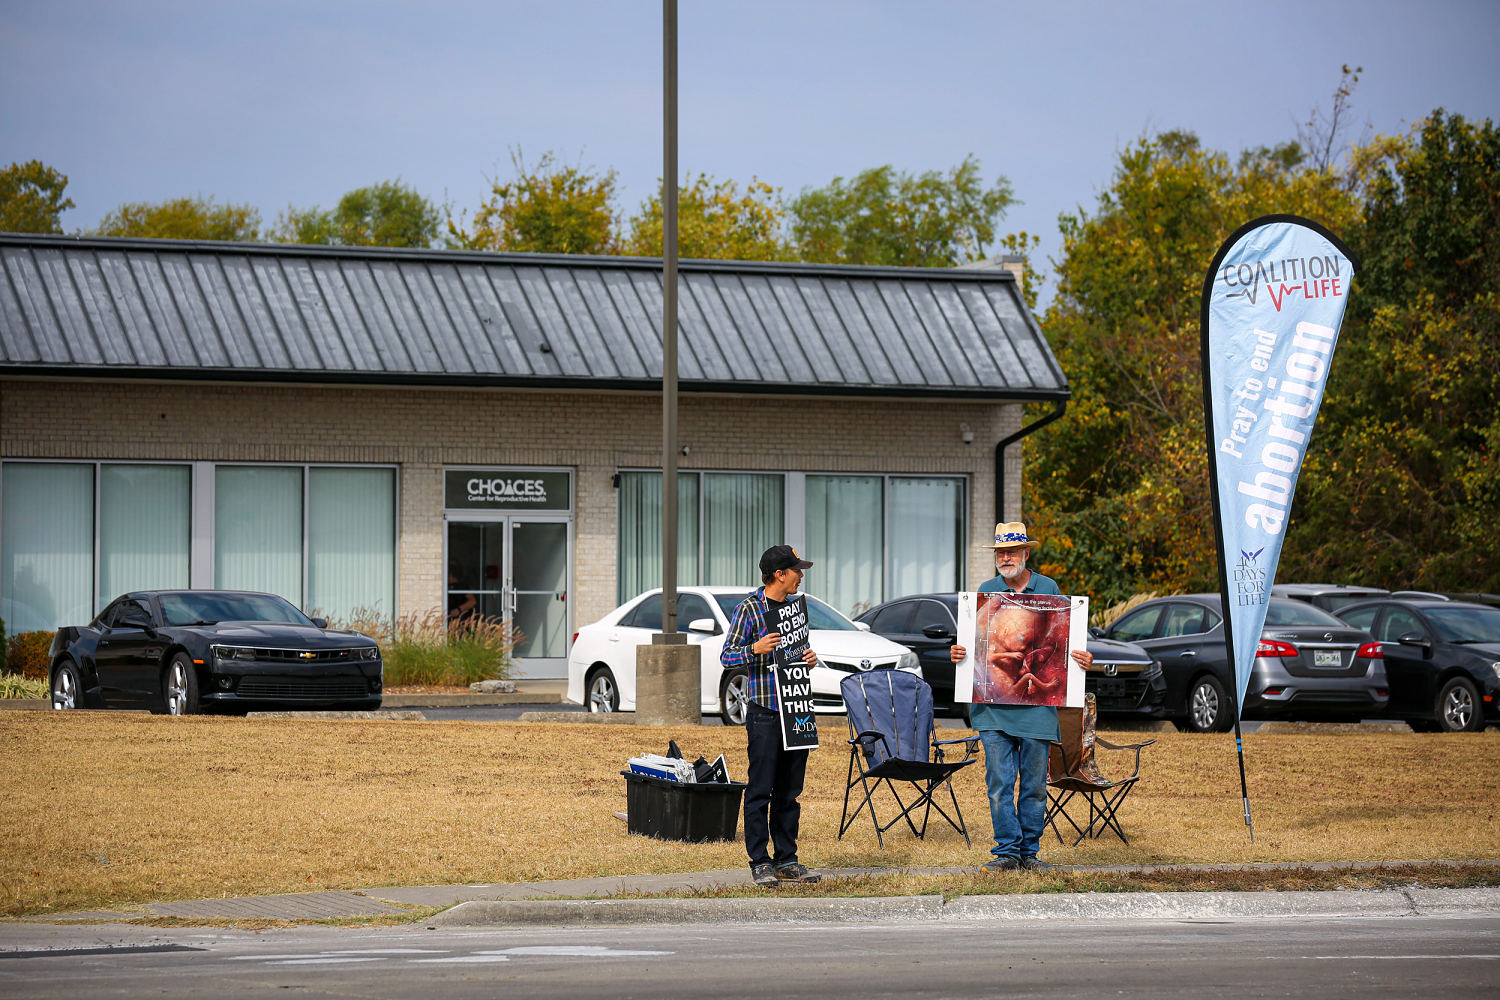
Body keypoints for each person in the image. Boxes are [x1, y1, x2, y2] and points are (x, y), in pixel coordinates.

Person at [950, 521, 1092, 872]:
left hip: (1037, 708)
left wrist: (1082, 658)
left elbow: (1062, 643)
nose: (1006, 558)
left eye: (1012, 551)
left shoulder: (1049, 589)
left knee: (1033, 786)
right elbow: (975, 647)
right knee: (999, 783)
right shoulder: (984, 593)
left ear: (1026, 553)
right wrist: (958, 654)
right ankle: (1006, 853)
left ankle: (1029, 853)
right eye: (1000, 553)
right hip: (992, 707)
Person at [721, 545, 823, 887]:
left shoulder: (795, 609)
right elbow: (726, 656)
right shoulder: (750, 608)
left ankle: (787, 858)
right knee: (761, 789)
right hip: (765, 710)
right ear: (779, 574)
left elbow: (795, 653)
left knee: (790, 792)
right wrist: (755, 648)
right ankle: (760, 861)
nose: (801, 575)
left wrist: (807, 657)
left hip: (797, 709)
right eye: (796, 570)